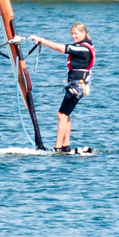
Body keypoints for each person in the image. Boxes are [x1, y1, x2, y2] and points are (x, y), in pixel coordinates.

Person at [28, 22, 95, 152]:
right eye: (72, 34)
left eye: (76, 34)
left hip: (78, 86)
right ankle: (65, 146)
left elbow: (61, 48)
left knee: (61, 115)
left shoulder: (84, 48)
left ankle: (57, 148)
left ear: (84, 34)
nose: (73, 36)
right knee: (66, 114)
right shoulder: (81, 46)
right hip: (76, 84)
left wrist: (41, 40)